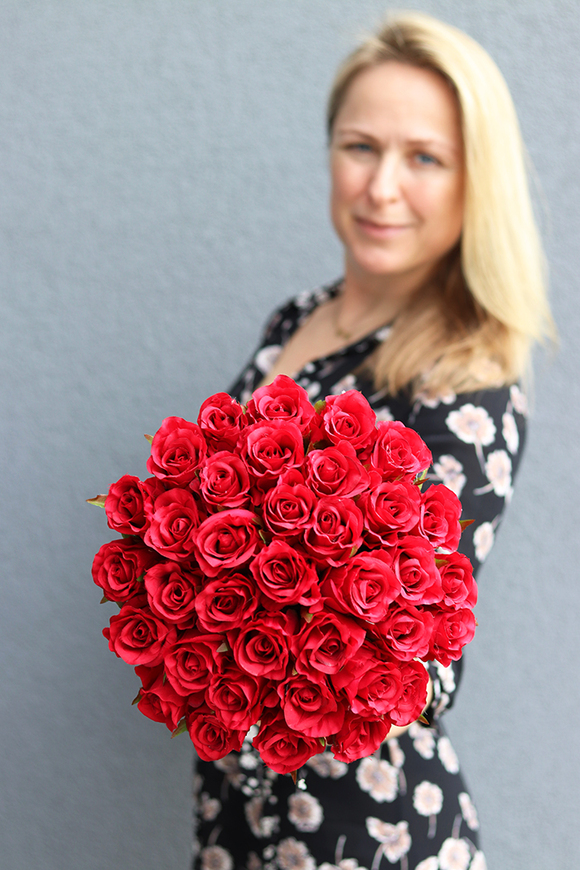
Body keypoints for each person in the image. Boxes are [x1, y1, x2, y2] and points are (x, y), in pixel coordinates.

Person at [193, 12, 554, 870]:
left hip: (365, 830)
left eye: (425, 157)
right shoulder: (294, 322)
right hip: (237, 815)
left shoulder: (468, 377)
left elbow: (418, 653)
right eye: (360, 146)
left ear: (477, 180)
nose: (381, 187)